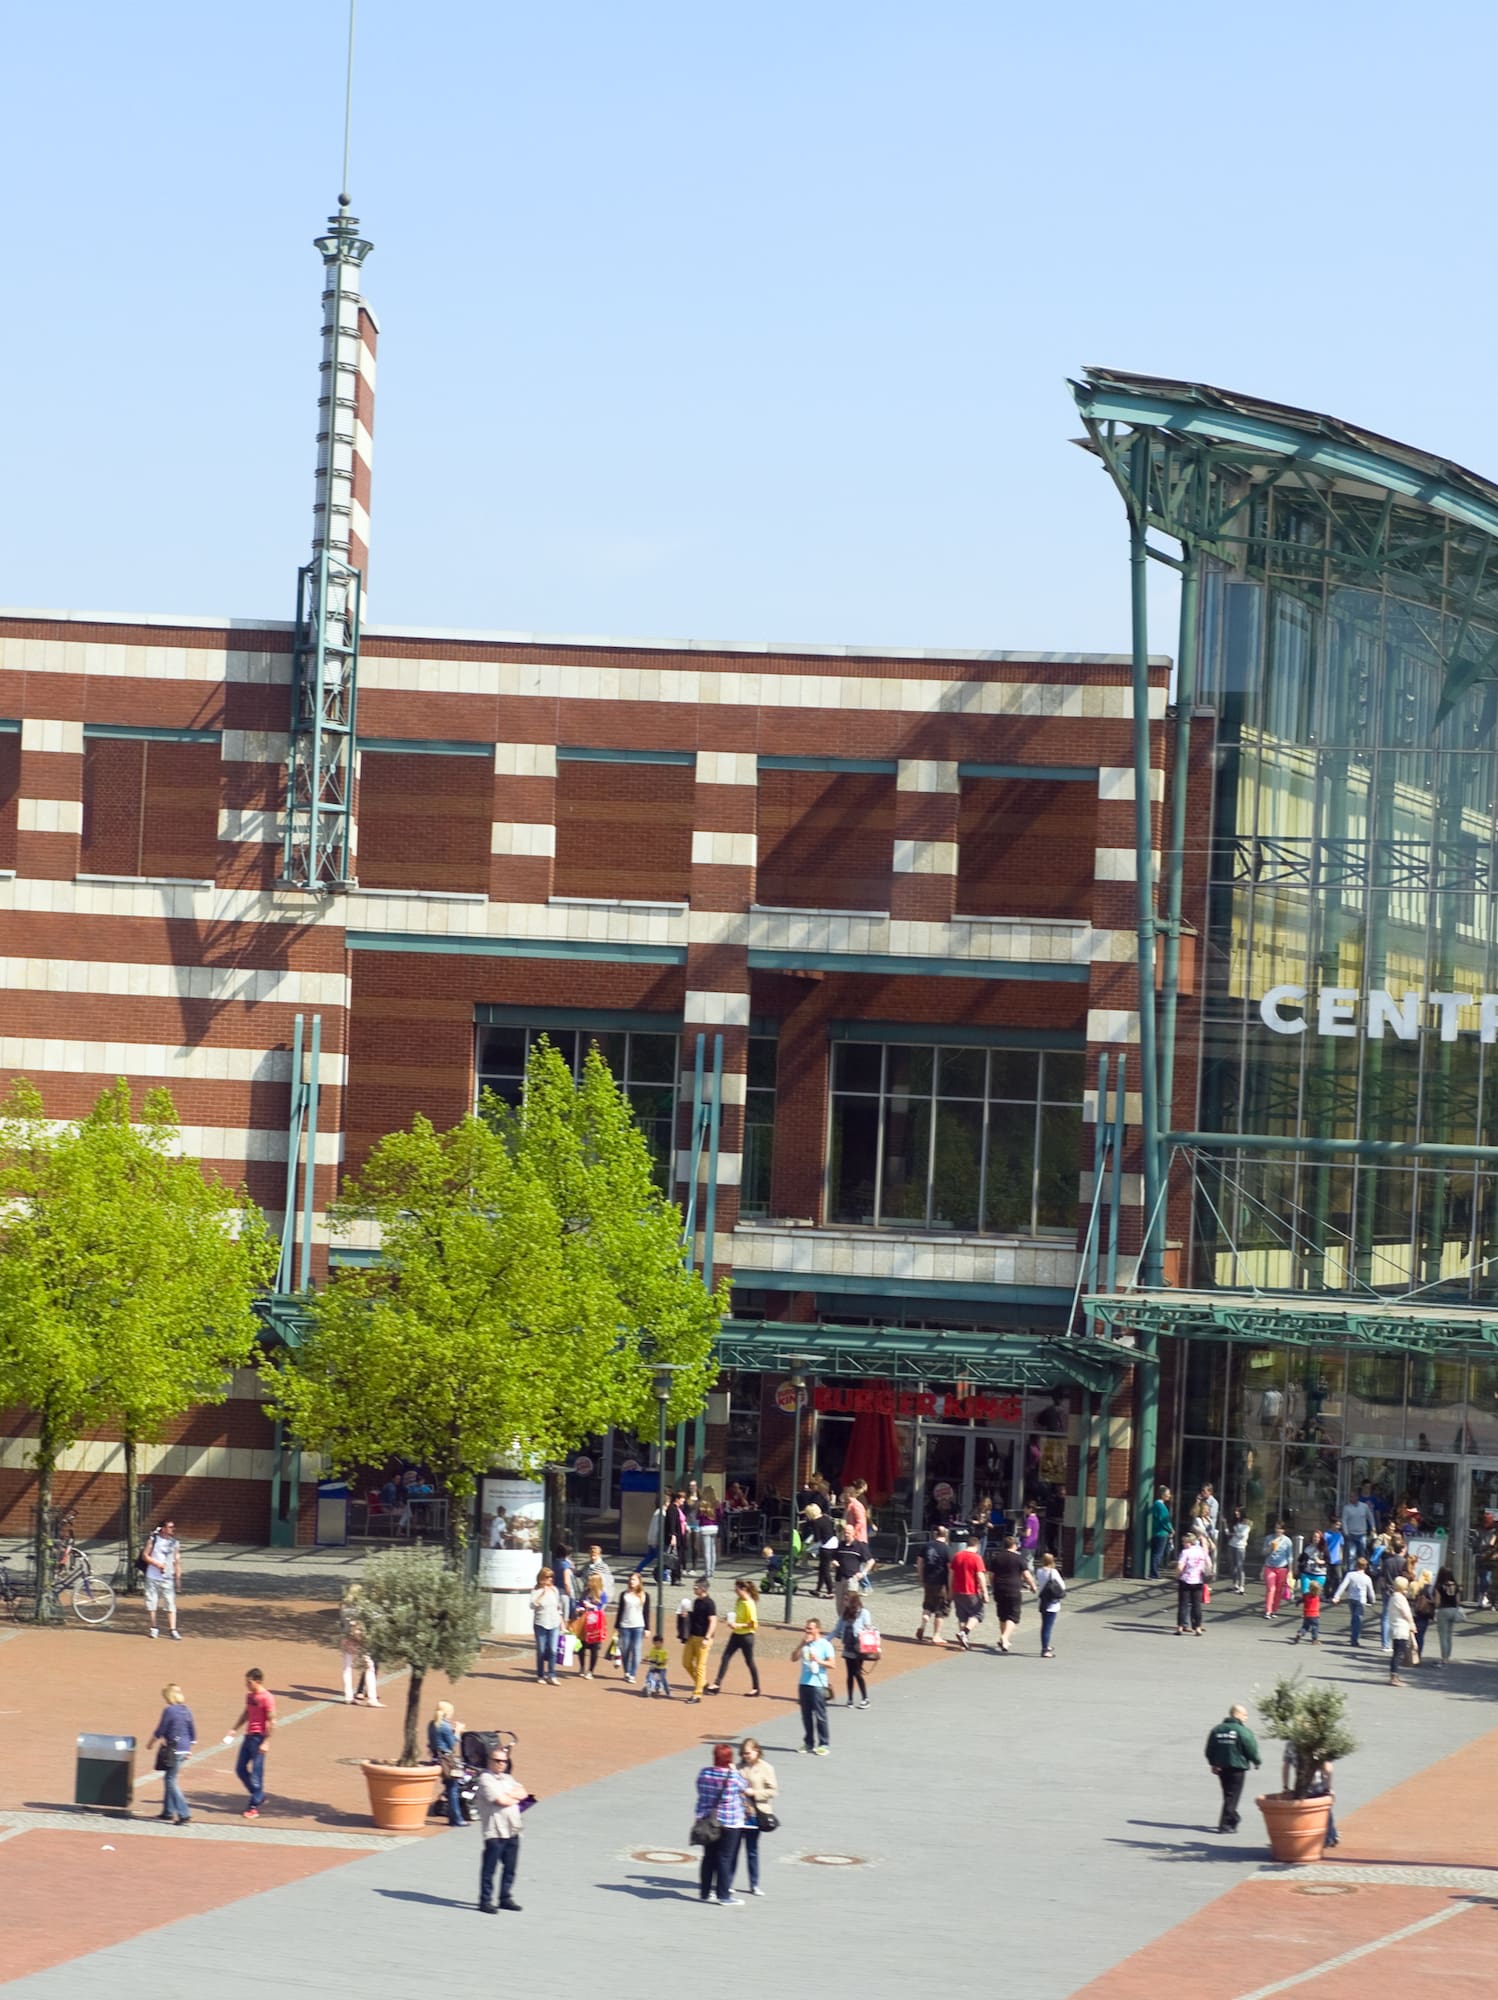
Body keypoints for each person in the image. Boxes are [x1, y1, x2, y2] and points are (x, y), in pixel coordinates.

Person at [476, 1742, 531, 1913]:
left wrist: (511, 1796)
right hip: (495, 1830)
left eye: (504, 1761)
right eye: (497, 1760)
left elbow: (524, 1794)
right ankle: (485, 1900)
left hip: (513, 1828)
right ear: (489, 1761)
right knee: (490, 1868)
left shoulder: (508, 1778)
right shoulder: (485, 1779)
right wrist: (512, 1797)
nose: (501, 1764)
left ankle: (505, 1897)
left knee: (510, 1867)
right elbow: (501, 1800)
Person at [694, 1743, 750, 1906]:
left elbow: (700, 1790)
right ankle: (723, 1895)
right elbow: (744, 1786)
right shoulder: (732, 1776)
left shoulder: (704, 1773)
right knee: (725, 1858)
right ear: (729, 1758)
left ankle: (704, 1892)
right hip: (730, 1821)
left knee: (708, 1857)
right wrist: (734, 1770)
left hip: (708, 1820)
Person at [1204, 1703, 1261, 1834]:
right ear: (1237, 1714)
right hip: (1237, 1767)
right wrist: (1257, 1761)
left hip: (1222, 1768)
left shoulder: (1217, 1730)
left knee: (1228, 1795)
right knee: (1232, 1796)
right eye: (1245, 1714)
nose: (1246, 1717)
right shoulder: (1243, 1731)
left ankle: (1233, 1818)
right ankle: (1225, 1824)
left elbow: (1209, 1749)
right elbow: (1250, 1748)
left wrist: (1213, 1763)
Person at [228, 1666, 274, 1819]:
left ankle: (253, 1806)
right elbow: (246, 1713)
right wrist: (234, 1728)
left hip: (259, 1738)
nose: (247, 1685)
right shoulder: (249, 1696)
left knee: (257, 1773)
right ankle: (258, 1795)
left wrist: (266, 1741)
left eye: (249, 1682)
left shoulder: (267, 1697)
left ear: (258, 1681)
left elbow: (272, 1720)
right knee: (240, 1769)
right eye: (246, 1682)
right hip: (248, 1736)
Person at [148, 1681, 195, 1825]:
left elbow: (160, 1730)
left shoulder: (169, 1710)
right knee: (170, 1777)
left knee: (171, 1780)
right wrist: (189, 1749)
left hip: (173, 1748)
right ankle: (167, 1811)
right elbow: (192, 1731)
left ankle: (184, 1813)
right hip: (184, 1747)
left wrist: (150, 1743)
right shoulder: (186, 1710)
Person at [736, 1738, 777, 1897]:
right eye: (743, 1753)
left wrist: (756, 1793)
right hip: (739, 1813)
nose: (745, 1756)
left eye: (748, 1753)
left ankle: (754, 1884)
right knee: (733, 1850)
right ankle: (729, 1882)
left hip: (756, 1814)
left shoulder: (766, 1768)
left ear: (757, 1751)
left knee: (752, 1850)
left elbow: (773, 1791)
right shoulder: (738, 1768)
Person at [707, 1578, 760, 1696]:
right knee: (725, 1657)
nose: (735, 1591)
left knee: (749, 1661)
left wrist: (738, 1625)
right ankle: (717, 1684)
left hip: (747, 1636)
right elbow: (737, 1615)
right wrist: (729, 1619)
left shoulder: (749, 1604)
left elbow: (753, 1624)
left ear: (743, 1589)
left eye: (737, 1588)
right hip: (736, 1634)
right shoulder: (739, 1601)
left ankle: (756, 1688)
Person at [986, 1532, 1036, 1654]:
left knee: (1002, 1615)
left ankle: (1004, 1640)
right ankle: (1005, 1637)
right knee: (1013, 1616)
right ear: (1015, 1545)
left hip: (999, 1589)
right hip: (1013, 1589)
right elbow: (1027, 1575)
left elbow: (991, 1576)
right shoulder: (1019, 1559)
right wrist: (1033, 1586)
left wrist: (993, 1586)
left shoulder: (997, 1558)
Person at [791, 1617, 835, 1754]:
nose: (807, 1631)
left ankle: (824, 1744)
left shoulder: (825, 1644)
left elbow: (832, 1664)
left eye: (810, 1628)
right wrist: (801, 1644)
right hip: (804, 1683)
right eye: (806, 1628)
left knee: (820, 1715)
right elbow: (793, 1658)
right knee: (806, 1715)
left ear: (817, 1629)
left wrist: (819, 1661)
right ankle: (808, 1742)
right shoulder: (805, 1644)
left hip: (818, 1684)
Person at [141, 1518, 183, 1641]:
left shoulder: (174, 1543)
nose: (172, 1529)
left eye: (173, 1527)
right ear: (163, 1528)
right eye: (170, 1527)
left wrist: (178, 1579)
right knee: (152, 1601)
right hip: (153, 1576)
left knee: (170, 1602)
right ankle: (154, 1627)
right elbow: (145, 1555)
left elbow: (177, 1561)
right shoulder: (153, 1540)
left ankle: (173, 1629)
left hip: (167, 1577)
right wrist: (157, 1564)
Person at [339, 1586, 382, 1706]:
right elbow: (375, 1617)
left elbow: (342, 1623)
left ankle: (348, 1696)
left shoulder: (344, 1607)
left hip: (346, 1639)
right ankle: (372, 1699)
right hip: (359, 1640)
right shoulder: (361, 1608)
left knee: (347, 1668)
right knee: (369, 1667)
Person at [831, 1590, 875, 1708]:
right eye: (844, 1599)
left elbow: (868, 1629)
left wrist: (864, 1634)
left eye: (846, 1599)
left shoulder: (864, 1612)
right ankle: (850, 1699)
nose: (844, 1602)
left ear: (853, 1600)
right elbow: (837, 1630)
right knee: (849, 1674)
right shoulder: (844, 1614)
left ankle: (865, 1698)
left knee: (857, 1672)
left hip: (859, 1646)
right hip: (848, 1646)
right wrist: (825, 1640)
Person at [679, 1576, 718, 1703]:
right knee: (686, 1662)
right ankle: (702, 1683)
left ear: (702, 1588)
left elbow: (713, 1621)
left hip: (703, 1639)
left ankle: (697, 1694)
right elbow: (695, 1617)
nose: (694, 1589)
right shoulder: (696, 1602)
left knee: (700, 1666)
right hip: (693, 1637)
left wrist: (707, 1637)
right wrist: (687, 1615)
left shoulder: (710, 1603)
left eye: (696, 1587)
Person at [428, 1699, 465, 1828]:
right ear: (447, 1712)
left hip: (436, 1757)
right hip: (447, 1760)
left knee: (449, 1787)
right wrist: (458, 1731)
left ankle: (453, 1815)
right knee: (453, 1788)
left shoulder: (432, 1724)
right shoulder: (444, 1725)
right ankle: (456, 1818)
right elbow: (452, 1743)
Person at [949, 1532, 989, 1650]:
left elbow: (951, 1574)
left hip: (958, 1590)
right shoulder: (977, 1558)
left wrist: (950, 1589)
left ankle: (963, 1641)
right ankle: (965, 1632)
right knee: (978, 1613)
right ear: (977, 1546)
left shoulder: (957, 1556)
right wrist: (985, 1592)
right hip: (971, 1591)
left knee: (962, 1616)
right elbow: (980, 1576)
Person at [916, 1524, 952, 1645]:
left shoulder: (927, 1546)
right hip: (940, 1581)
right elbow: (950, 1568)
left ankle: (923, 1623)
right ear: (945, 1535)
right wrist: (950, 1584)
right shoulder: (946, 1549)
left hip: (928, 1580)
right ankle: (936, 1635)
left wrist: (921, 1577)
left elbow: (920, 1562)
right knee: (940, 1609)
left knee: (928, 1605)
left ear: (935, 1534)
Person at [614, 1571, 649, 1684]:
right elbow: (620, 1611)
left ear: (639, 1582)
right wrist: (617, 1626)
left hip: (638, 1625)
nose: (631, 1581)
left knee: (636, 1651)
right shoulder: (624, 1594)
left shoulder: (644, 1595)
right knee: (625, 1650)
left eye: (634, 1579)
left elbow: (646, 1612)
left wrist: (647, 1628)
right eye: (630, 1579)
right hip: (625, 1625)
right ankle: (627, 1671)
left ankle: (633, 1674)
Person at [530, 1566, 562, 1685]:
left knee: (553, 1650)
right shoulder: (536, 1590)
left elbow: (558, 1607)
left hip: (554, 1623)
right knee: (541, 1650)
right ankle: (540, 1674)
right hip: (541, 1623)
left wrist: (562, 1623)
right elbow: (532, 1605)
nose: (550, 1579)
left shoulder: (555, 1590)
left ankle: (552, 1674)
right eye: (547, 1577)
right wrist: (541, 1594)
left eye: (551, 1577)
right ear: (542, 1578)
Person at [831, 1520, 872, 1612]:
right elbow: (833, 1557)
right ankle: (842, 1623)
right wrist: (834, 1562)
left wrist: (863, 1573)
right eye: (845, 1532)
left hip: (852, 1578)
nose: (846, 1534)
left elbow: (871, 1561)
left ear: (854, 1533)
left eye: (849, 1532)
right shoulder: (840, 1545)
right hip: (839, 1578)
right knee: (839, 1605)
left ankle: (851, 1622)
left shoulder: (859, 1546)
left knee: (851, 1603)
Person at [1333, 1556, 1374, 1646]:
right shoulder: (1367, 1578)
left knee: (1354, 1618)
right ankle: (1354, 1639)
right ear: (1365, 1567)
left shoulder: (1350, 1575)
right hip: (1361, 1600)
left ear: (1356, 1565)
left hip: (1351, 1599)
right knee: (1358, 1620)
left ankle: (1353, 1636)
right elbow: (1370, 1591)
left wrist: (1337, 1596)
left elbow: (1343, 1586)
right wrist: (1372, 1600)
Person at [1176, 1529, 1211, 1636]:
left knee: (1183, 1604)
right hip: (1198, 1580)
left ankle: (1180, 1627)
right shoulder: (1202, 1551)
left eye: (1184, 1542)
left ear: (1189, 1542)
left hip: (1186, 1580)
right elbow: (1209, 1565)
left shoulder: (1185, 1552)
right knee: (1197, 1605)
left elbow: (1180, 1566)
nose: (1183, 1544)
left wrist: (1177, 1575)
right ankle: (1198, 1628)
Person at [574, 1575, 609, 1679]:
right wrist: (579, 1608)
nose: (588, 1582)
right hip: (584, 1621)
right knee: (581, 1645)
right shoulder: (585, 1593)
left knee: (594, 1648)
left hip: (595, 1623)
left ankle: (590, 1671)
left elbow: (601, 1608)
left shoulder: (602, 1594)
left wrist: (592, 1606)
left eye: (590, 1580)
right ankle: (582, 1666)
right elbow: (579, 1603)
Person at [1377, 1534, 1407, 1650]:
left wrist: (1384, 1587)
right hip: (1399, 1591)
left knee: (1385, 1617)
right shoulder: (1404, 1562)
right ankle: (1397, 1643)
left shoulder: (1387, 1561)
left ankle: (1385, 1644)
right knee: (1399, 1617)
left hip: (1387, 1590)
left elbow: (1382, 1575)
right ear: (1402, 1549)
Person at [1035, 1551, 1066, 1657]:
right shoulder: (1053, 1572)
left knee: (1045, 1624)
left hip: (1043, 1600)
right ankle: (1044, 1650)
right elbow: (1062, 1586)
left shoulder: (1039, 1571)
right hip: (1052, 1602)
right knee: (1048, 1627)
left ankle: (1046, 1645)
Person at [1387, 1574, 1417, 1685]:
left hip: (1396, 1627)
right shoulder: (1399, 1598)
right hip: (1400, 1628)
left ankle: (1395, 1675)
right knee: (1398, 1653)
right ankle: (1394, 1677)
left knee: (1397, 1653)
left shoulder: (1394, 1597)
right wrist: (1412, 1623)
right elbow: (1406, 1613)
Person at [1261, 1521, 1293, 1620]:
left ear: (1283, 1530)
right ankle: (1268, 1610)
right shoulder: (1269, 1538)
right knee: (1271, 1589)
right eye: (1276, 1528)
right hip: (1269, 1566)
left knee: (1279, 1590)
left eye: (1280, 1528)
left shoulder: (1287, 1541)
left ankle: (1274, 1610)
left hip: (1282, 1568)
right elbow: (1263, 1552)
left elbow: (1289, 1557)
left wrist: (1290, 1570)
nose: (1278, 1530)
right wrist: (1270, 1548)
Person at [1434, 1562, 1462, 1664]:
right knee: (1449, 1635)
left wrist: (1435, 1609)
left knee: (1443, 1636)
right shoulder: (1456, 1586)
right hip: (1453, 1610)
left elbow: (1437, 1601)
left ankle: (1444, 1658)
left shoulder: (1439, 1586)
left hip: (1443, 1610)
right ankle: (1448, 1656)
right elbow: (1458, 1601)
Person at [1341, 1487, 1376, 1564]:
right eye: (1350, 1496)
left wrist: (1373, 1527)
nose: (1350, 1498)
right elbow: (1344, 1521)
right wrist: (1346, 1533)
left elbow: (1370, 1517)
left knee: (1362, 1554)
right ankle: (1351, 1570)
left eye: (1352, 1496)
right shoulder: (1346, 1508)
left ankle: (1362, 1570)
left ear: (1357, 1497)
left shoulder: (1364, 1506)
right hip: (1351, 1534)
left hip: (1362, 1534)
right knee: (1351, 1555)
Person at [1149, 1484, 1173, 1578]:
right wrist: (1170, 1529)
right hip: (1161, 1533)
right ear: (1162, 1495)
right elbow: (1164, 1520)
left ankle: (1154, 1571)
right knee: (1158, 1553)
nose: (1169, 1495)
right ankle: (1154, 1573)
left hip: (1157, 1532)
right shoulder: (1160, 1506)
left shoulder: (1156, 1505)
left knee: (1156, 1553)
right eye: (1168, 1494)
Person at [1411, 1570, 1436, 1662]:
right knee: (1420, 1636)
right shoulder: (1429, 1588)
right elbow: (1433, 1601)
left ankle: (1409, 1656)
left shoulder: (1415, 1585)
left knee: (1413, 1635)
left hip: (1414, 1612)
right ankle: (1417, 1657)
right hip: (1423, 1614)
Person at [1291, 1572, 1322, 1645]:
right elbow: (1326, 1600)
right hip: (1314, 1615)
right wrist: (1332, 1600)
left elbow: (1300, 1600)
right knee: (1315, 1627)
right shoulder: (1318, 1597)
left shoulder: (1306, 1595)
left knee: (1305, 1626)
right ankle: (1314, 1640)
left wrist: (1297, 1603)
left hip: (1306, 1614)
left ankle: (1300, 1633)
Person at [697, 1488, 721, 1579]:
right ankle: (712, 1571)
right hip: (714, 1527)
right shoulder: (717, 1503)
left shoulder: (702, 1503)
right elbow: (720, 1515)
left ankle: (707, 1572)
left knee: (707, 1551)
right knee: (713, 1551)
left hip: (705, 1528)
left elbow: (698, 1516)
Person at [1226, 1508, 1252, 1594]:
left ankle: (1242, 1585)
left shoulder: (1247, 1523)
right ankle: (1235, 1584)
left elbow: (1242, 1535)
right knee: (1233, 1565)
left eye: (1238, 1511)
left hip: (1240, 1546)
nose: (1236, 1513)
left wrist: (1233, 1534)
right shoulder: (1236, 1522)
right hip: (1232, 1544)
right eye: (1235, 1511)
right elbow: (1231, 1532)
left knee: (1240, 1566)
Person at [841, 1477, 869, 1545]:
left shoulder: (856, 1505)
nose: (843, 1495)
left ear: (849, 1495)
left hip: (858, 1538)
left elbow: (860, 1522)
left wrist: (852, 1533)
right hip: (851, 1538)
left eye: (845, 1493)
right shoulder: (849, 1505)